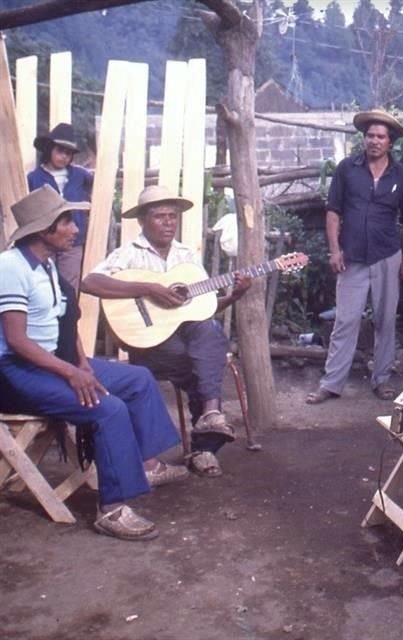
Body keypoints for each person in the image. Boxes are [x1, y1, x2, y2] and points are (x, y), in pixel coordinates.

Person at [0, 186, 186, 541]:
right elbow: (17, 340)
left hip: (55, 362)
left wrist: (83, 363)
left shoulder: (47, 265)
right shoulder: (10, 267)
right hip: (14, 372)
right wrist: (70, 372)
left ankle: (146, 466)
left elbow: (65, 323)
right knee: (108, 409)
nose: (74, 229)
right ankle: (112, 509)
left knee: (138, 378)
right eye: (67, 221)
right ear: (44, 230)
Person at [81, 185, 251, 479]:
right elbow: (90, 283)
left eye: (173, 216)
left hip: (187, 341)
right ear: (143, 221)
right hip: (148, 343)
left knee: (207, 331)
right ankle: (204, 447)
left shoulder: (186, 256)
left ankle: (209, 419)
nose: (169, 223)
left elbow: (200, 308)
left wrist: (234, 296)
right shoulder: (128, 255)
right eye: (160, 217)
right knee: (205, 364)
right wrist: (147, 288)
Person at [306, 109, 403, 404]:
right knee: (345, 321)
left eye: (381, 137)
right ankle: (331, 384)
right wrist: (334, 250)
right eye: (370, 136)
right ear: (364, 139)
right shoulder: (347, 169)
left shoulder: (401, 175)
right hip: (352, 257)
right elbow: (333, 212)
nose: (375, 141)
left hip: (387, 255)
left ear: (389, 142)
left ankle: (382, 380)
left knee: (385, 321)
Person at [27, 123, 94, 295]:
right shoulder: (34, 178)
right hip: (44, 238)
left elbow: (97, 187)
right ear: (49, 150)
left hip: (73, 239)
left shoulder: (80, 175)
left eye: (69, 153)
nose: (64, 157)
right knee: (43, 282)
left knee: (70, 285)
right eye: (60, 151)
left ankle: (67, 319)